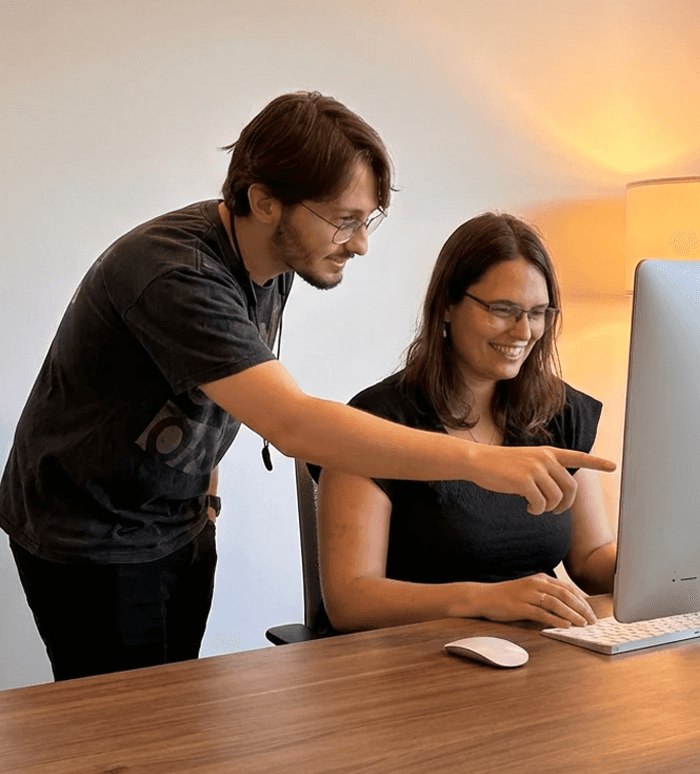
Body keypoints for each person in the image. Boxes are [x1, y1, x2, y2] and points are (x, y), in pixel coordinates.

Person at [0, 93, 614, 681]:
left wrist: (204, 503)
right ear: (265, 201)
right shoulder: (175, 274)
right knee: (127, 735)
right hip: (89, 537)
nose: (362, 243)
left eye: (367, 219)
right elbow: (292, 423)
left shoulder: (272, 263)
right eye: (344, 220)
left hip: (176, 522)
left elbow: (214, 391)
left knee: (172, 718)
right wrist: (480, 463)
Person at [317, 213, 617, 634]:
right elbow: (351, 601)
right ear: (447, 306)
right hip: (415, 664)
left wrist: (669, 568)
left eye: (537, 312)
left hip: (542, 657)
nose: (523, 330)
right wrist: (487, 600)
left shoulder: (559, 410)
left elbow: (591, 558)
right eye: (502, 310)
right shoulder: (376, 421)